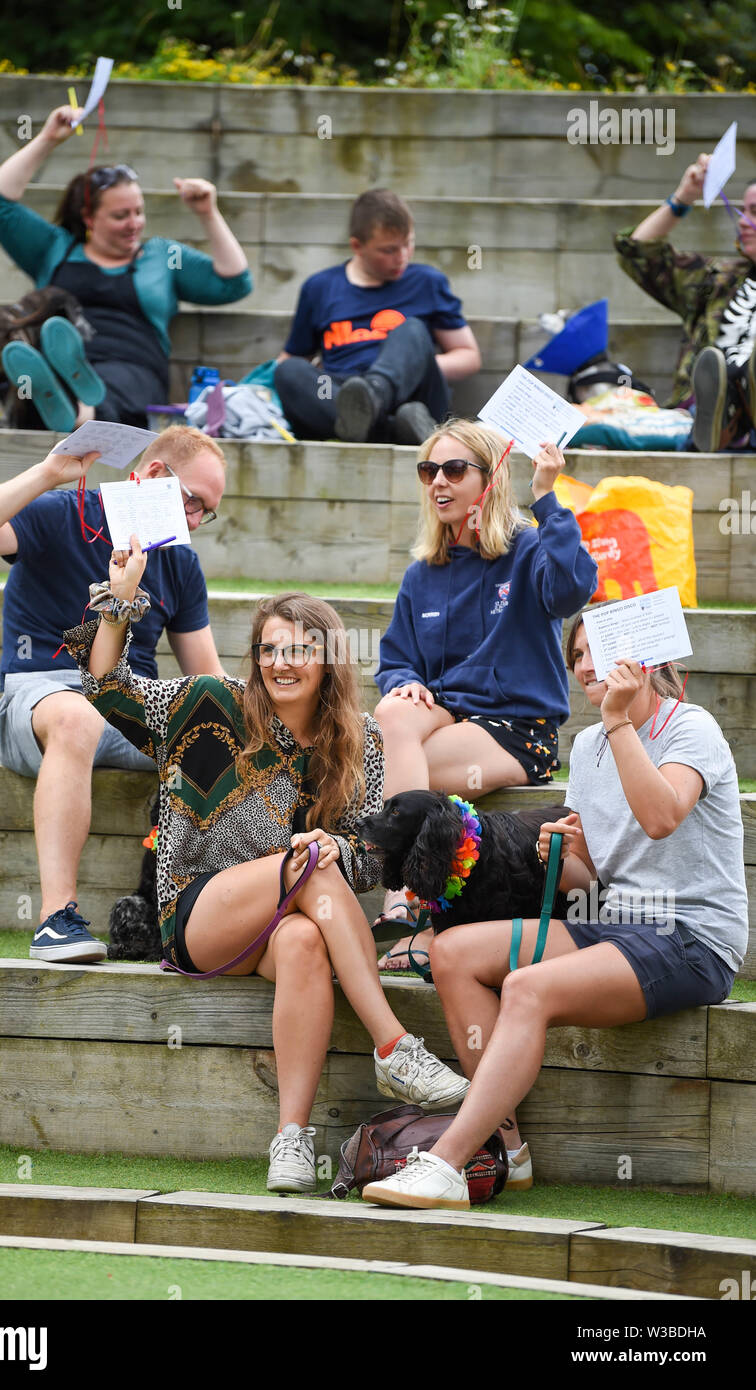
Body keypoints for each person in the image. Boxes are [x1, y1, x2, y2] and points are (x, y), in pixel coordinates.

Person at [64, 580, 472, 1193]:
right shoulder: (208, 703)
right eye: (268, 650)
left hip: (284, 926)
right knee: (306, 862)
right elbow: (109, 690)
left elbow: (370, 859)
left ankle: (291, 1140)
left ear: (328, 659)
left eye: (299, 650)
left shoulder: (360, 742)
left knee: (307, 937)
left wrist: (342, 847)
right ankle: (393, 1048)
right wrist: (121, 603)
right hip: (199, 915)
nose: (280, 664)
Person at [362, 613, 747, 1209]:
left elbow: (662, 817)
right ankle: (507, 1152)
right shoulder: (591, 744)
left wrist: (618, 722)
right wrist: (561, 855)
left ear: (642, 658)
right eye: (578, 656)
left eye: (603, 650)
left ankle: (445, 1162)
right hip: (614, 923)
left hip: (690, 937)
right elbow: (595, 875)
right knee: (452, 952)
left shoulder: (689, 728)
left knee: (528, 988)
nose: (588, 666)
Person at [0, 426, 227, 963]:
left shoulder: (180, 562)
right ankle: (55, 920)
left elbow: (207, 683)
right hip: (39, 699)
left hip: (123, 704)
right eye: (194, 502)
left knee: (214, 738)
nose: (196, 521)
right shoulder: (64, 513)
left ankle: (193, 917)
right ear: (156, 475)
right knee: (77, 719)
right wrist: (47, 474)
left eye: (208, 511)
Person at [372, 419, 598, 962]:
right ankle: (418, 909)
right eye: (429, 471)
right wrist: (406, 683)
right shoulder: (422, 571)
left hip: (517, 727)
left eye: (454, 470)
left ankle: (411, 903)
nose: (438, 483)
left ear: (491, 479)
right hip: (448, 716)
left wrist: (546, 497)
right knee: (391, 710)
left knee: (397, 775)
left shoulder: (527, 550)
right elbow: (395, 660)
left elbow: (573, 589)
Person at [0, 103, 252, 430]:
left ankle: (83, 412)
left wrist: (208, 213)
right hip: (60, 361)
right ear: (89, 218)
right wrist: (48, 138)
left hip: (133, 370)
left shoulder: (161, 256)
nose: (134, 223)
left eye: (139, 212)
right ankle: (72, 404)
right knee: (44, 380)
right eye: (121, 215)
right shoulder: (54, 249)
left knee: (108, 389)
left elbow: (235, 282)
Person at [274, 188, 481, 445]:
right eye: (389, 250)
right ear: (357, 246)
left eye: (408, 244)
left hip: (413, 394)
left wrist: (411, 364)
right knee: (288, 371)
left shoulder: (427, 282)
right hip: (344, 395)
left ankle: (374, 395)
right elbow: (293, 358)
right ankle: (389, 426)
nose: (402, 257)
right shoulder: (319, 288)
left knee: (412, 329)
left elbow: (469, 356)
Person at [615, 154, 756, 452]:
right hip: (699, 410)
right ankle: (720, 422)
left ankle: (734, 420)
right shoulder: (717, 278)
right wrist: (685, 196)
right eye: (743, 210)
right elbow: (637, 251)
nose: (743, 221)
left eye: (755, 212)